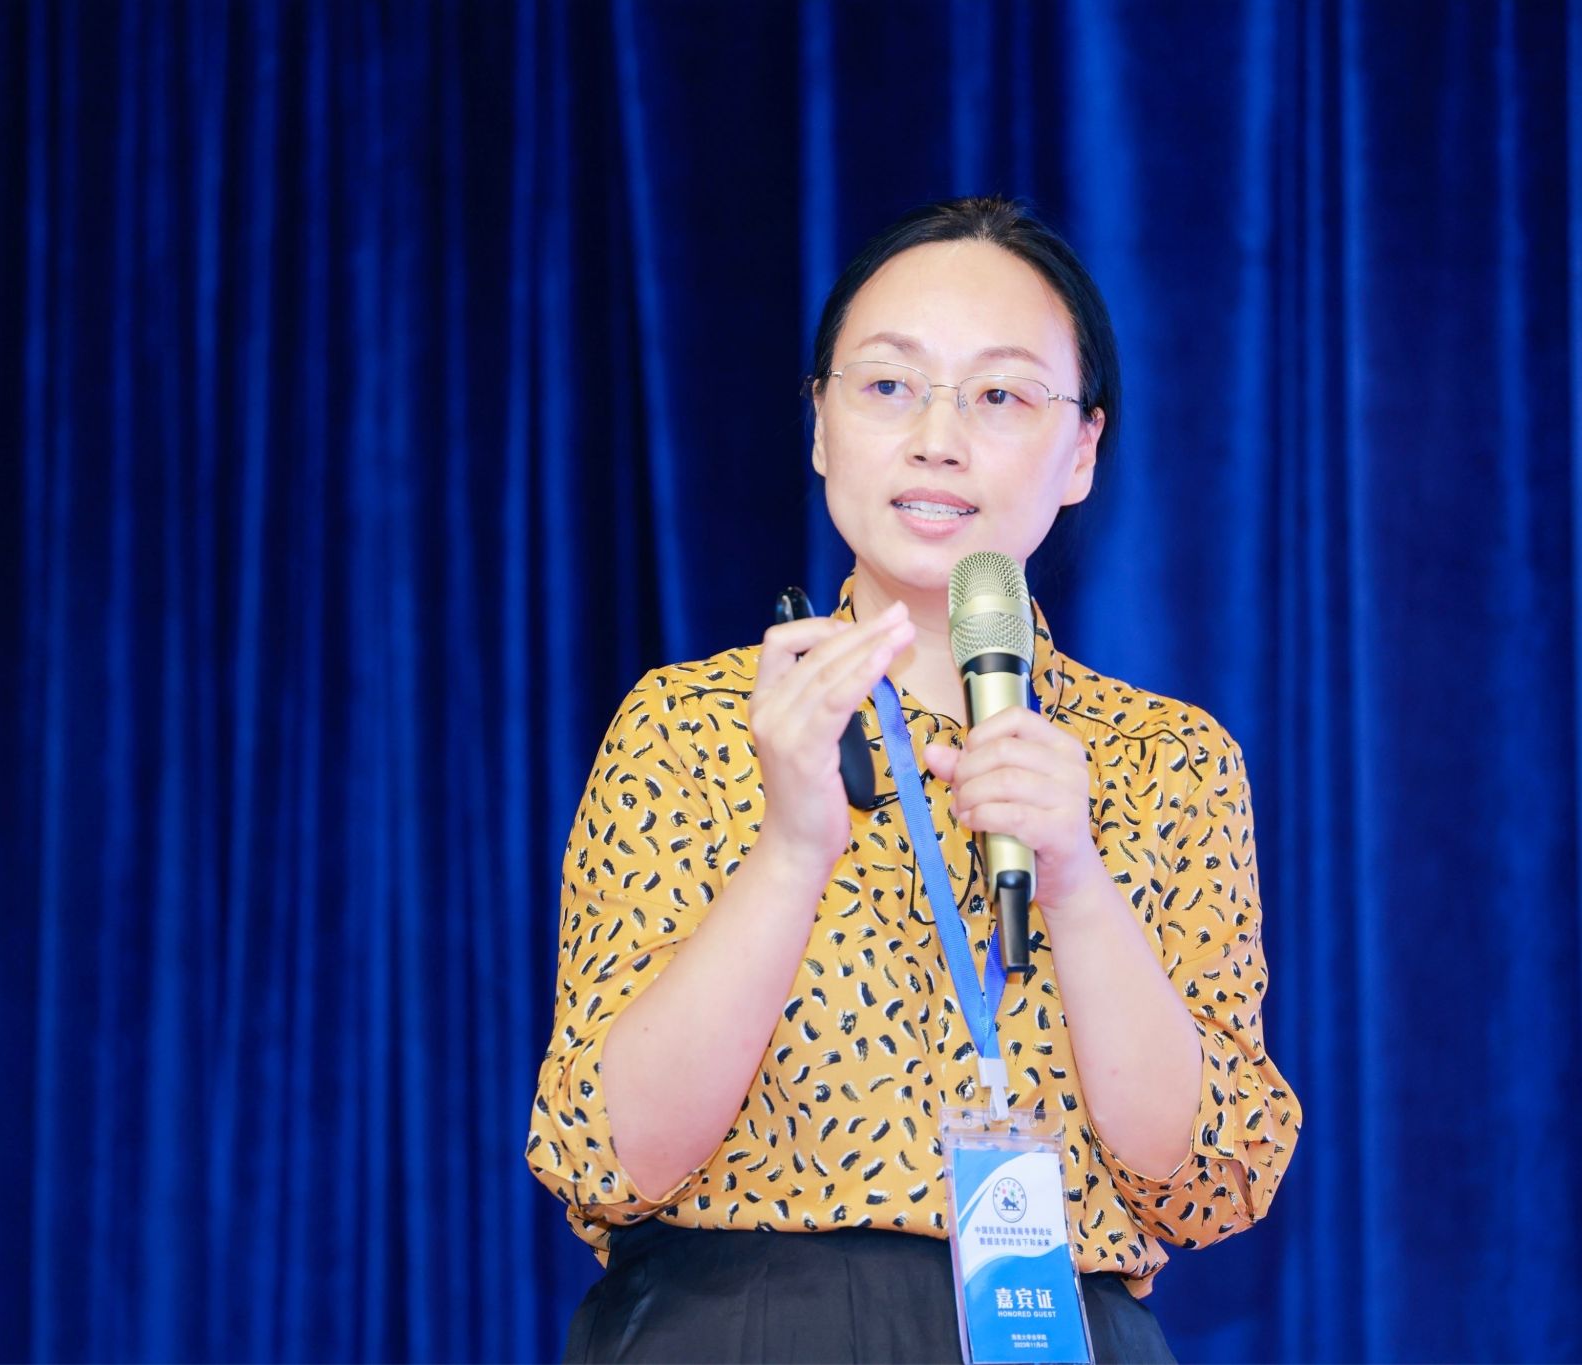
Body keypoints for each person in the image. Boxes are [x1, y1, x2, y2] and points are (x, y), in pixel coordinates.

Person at [527, 196, 1300, 1364]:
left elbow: (1206, 1180)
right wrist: (791, 850)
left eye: (999, 396)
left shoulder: (1164, 760)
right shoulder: (690, 726)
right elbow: (609, 1153)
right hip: (745, 1328)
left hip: (1053, 1332)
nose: (937, 437)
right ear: (819, 426)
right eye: (888, 385)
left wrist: (1077, 881)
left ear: (1081, 451)